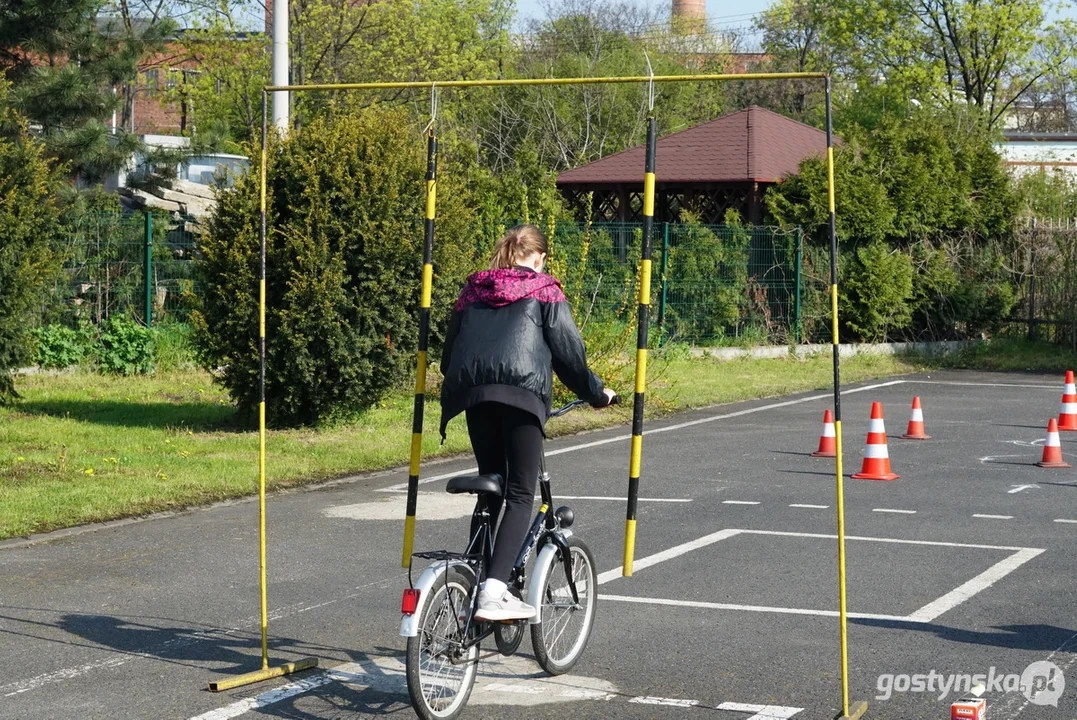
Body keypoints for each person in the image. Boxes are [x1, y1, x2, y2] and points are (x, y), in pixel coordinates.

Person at [440, 224, 617, 621]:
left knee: (492, 487)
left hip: (474, 397)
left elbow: (449, 353)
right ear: (538, 258)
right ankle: (494, 591)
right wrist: (596, 393)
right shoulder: (544, 289)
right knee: (521, 493)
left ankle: (475, 577)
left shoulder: (473, 291)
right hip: (522, 398)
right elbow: (569, 356)